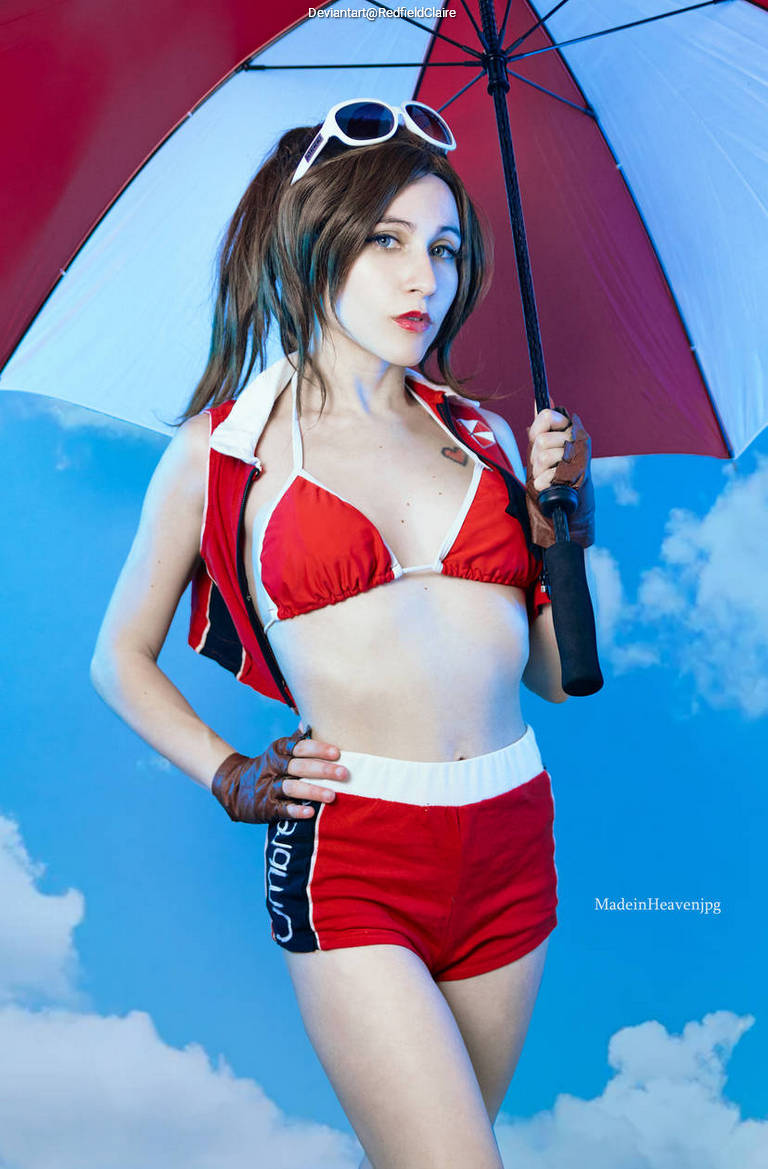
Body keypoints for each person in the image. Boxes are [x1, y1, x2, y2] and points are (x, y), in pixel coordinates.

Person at [90, 99, 594, 1169]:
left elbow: (557, 680)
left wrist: (566, 528)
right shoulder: (224, 450)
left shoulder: (488, 436)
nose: (427, 279)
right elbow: (117, 657)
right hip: (358, 854)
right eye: (390, 242)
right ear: (315, 240)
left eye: (447, 248)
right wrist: (228, 772)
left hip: (512, 837)